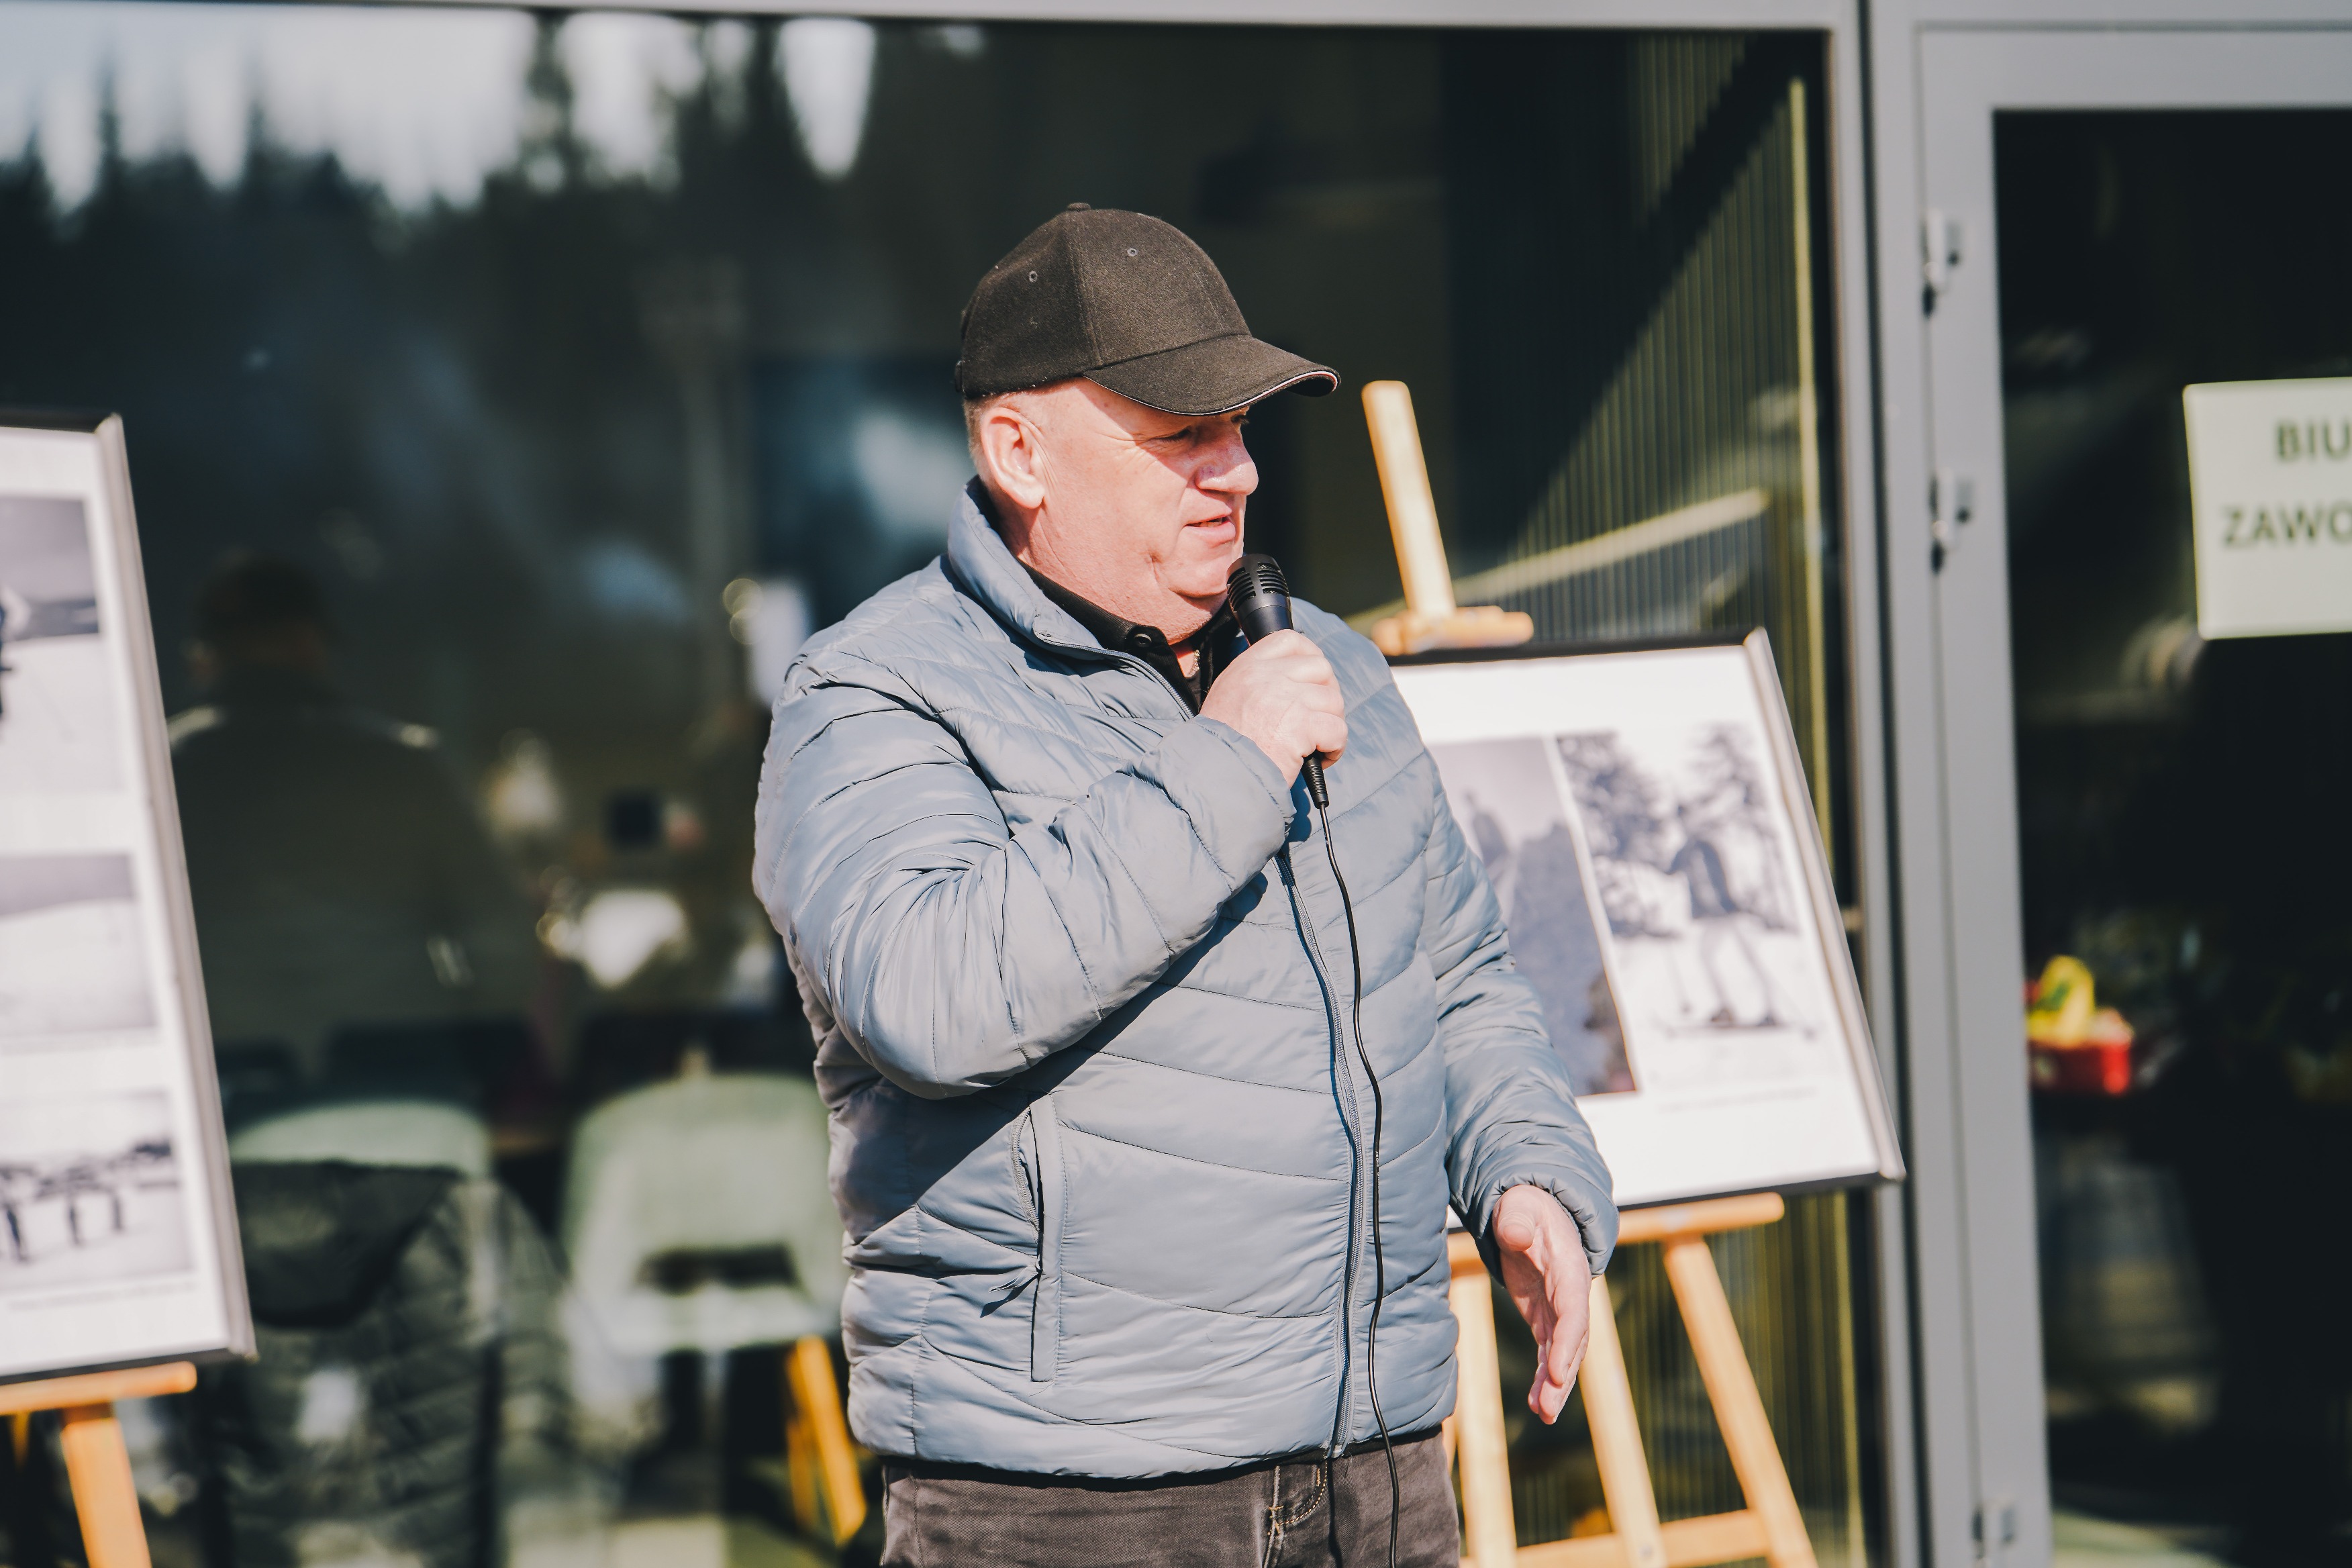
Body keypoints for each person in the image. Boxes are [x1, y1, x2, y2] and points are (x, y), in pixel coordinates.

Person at [754, 205, 1615, 1567]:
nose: (1238, 472)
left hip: (1380, 1469)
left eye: (1240, 428)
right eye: (1180, 435)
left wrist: (1524, 1171)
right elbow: (928, 997)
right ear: (1017, 452)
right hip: (1075, 1500)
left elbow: (1455, 977)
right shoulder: (873, 692)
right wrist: (1228, 762)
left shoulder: (1330, 668)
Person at [169, 554, 538, 1077]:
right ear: (308, 644)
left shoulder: (163, 774)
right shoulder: (405, 764)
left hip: (226, 1084)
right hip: (398, 1073)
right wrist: (473, 1049)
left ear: (204, 659)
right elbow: (501, 941)